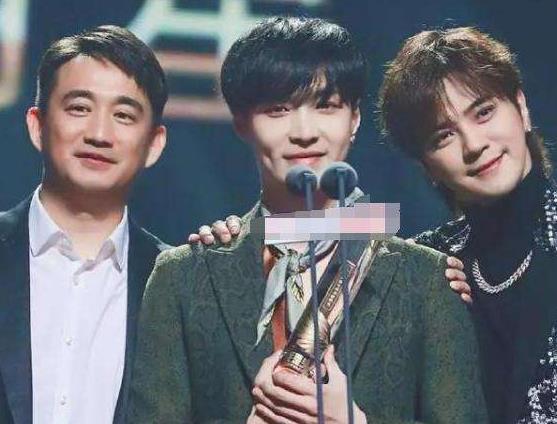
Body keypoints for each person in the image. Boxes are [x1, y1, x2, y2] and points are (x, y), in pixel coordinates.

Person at [129, 16, 487, 423]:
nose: (304, 132)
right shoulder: (183, 277)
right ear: (241, 122)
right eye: (278, 109)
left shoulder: (427, 279)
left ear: (354, 119)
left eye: (325, 106)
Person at [378, 26, 557, 423]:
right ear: (427, 168)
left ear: (522, 108)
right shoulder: (427, 268)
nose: (474, 145)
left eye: (484, 112)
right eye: (444, 136)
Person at [0, 25, 169, 424]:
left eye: (123, 115)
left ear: (154, 144)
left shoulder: (176, 281)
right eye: (79, 108)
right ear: (37, 125)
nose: (99, 134)